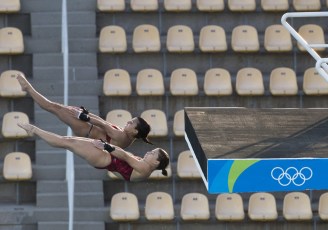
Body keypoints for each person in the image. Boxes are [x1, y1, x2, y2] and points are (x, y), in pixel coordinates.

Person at [16, 73, 152, 148]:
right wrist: (86, 115)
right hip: (88, 129)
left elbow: (103, 124)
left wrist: (83, 116)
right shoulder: (128, 139)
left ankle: (27, 88)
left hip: (86, 128)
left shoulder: (122, 136)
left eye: (131, 122)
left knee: (52, 107)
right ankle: (28, 90)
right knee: (54, 108)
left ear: (135, 131)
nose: (128, 121)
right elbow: (103, 123)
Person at [18, 123, 170, 181]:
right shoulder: (144, 167)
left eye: (152, 153)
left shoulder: (144, 168)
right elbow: (121, 169)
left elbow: (123, 155)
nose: (149, 152)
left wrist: (107, 147)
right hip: (107, 158)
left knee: (67, 142)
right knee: (67, 140)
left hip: (105, 158)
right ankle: (35, 130)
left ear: (156, 162)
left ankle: (34, 130)